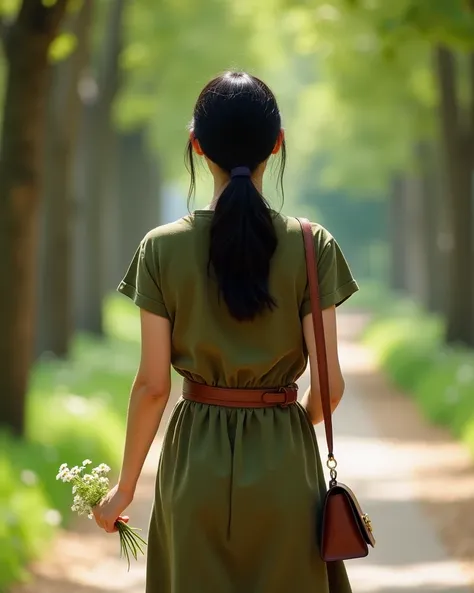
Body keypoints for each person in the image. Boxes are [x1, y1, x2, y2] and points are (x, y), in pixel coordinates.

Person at [93, 71, 358, 593]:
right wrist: (287, 427)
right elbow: (330, 386)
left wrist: (124, 489)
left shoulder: (161, 249)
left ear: (196, 145)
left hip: (194, 465)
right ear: (277, 146)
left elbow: (152, 388)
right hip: (285, 460)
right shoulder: (312, 245)